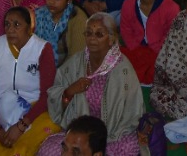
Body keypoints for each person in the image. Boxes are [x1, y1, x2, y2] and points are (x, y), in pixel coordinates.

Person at [36, 13, 146, 156]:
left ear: (111, 39)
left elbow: (131, 111)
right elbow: (55, 95)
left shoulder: (123, 70)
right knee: (48, 150)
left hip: (112, 134)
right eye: (88, 33)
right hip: (79, 133)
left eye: (99, 34)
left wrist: (103, 137)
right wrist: (70, 91)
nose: (92, 38)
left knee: (128, 148)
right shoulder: (75, 63)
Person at [0, 6, 62, 155]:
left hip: (33, 111)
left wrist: (21, 126)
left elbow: (47, 95)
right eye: (7, 24)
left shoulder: (42, 49)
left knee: (48, 129)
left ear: (29, 27)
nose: (10, 29)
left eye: (17, 24)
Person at [118, 0, 179, 84]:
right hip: (135, 50)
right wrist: (135, 48)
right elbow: (125, 30)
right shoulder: (128, 4)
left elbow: (172, 35)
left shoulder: (171, 7)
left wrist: (154, 51)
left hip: (161, 53)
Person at [36, 0, 90, 65]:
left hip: (68, 69)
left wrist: (56, 72)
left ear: (69, 0)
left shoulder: (77, 18)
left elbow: (76, 57)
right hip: (36, 66)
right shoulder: (39, 14)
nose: (51, 2)